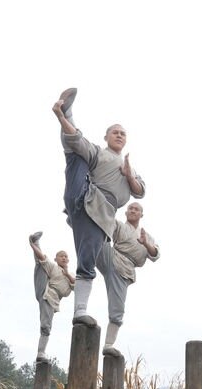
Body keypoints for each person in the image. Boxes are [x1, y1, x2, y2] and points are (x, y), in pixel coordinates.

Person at [52, 88, 146, 328]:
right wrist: (62, 119)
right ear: (106, 137)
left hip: (101, 215)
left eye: (123, 133)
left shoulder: (131, 169)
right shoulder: (99, 153)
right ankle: (65, 114)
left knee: (87, 259)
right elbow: (78, 141)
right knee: (76, 152)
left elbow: (140, 192)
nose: (119, 135)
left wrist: (128, 174)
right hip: (84, 196)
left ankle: (79, 311)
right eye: (115, 132)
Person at [95, 202, 160, 357]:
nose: (132, 210)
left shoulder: (147, 236)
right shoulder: (119, 225)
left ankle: (108, 344)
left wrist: (145, 243)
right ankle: (76, 218)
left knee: (118, 309)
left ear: (141, 214)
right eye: (130, 208)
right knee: (96, 233)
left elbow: (155, 255)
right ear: (126, 212)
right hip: (111, 255)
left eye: (136, 209)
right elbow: (107, 224)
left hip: (124, 270)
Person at [29, 231, 75, 362]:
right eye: (61, 256)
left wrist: (67, 273)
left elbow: (75, 286)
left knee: (46, 325)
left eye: (66, 256)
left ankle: (41, 352)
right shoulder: (53, 266)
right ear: (56, 259)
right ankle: (41, 353)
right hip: (45, 291)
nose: (64, 258)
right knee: (40, 263)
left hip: (53, 299)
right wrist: (32, 246)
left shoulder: (71, 274)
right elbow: (42, 257)